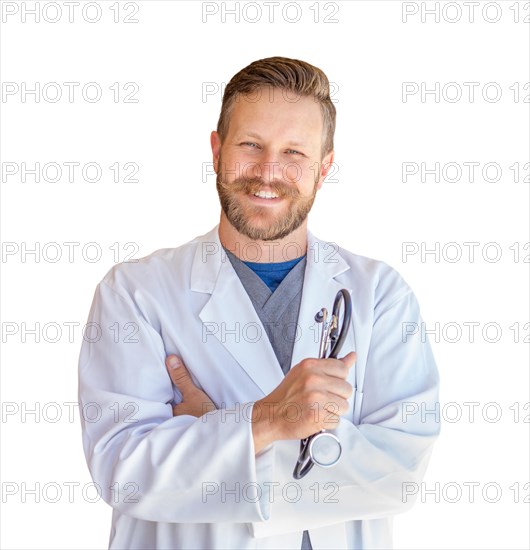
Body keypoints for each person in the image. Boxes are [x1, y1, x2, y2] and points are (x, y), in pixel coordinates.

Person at [78, 56, 440, 550]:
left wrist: (223, 432)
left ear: (324, 167)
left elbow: (399, 473)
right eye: (251, 145)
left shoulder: (380, 295)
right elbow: (125, 471)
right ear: (216, 149)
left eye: (294, 152)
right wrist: (266, 420)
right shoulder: (136, 292)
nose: (268, 172)